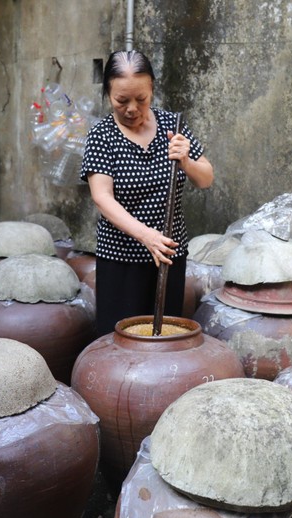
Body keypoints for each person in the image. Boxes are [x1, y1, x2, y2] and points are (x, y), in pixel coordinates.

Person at [80, 50, 214, 335]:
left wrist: (187, 161)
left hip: (168, 255)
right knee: (120, 339)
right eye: (121, 100)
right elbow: (102, 197)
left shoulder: (172, 126)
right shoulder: (101, 135)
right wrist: (146, 236)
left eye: (141, 99)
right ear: (108, 95)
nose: (131, 108)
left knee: (165, 338)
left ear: (152, 88)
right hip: (121, 258)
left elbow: (206, 179)